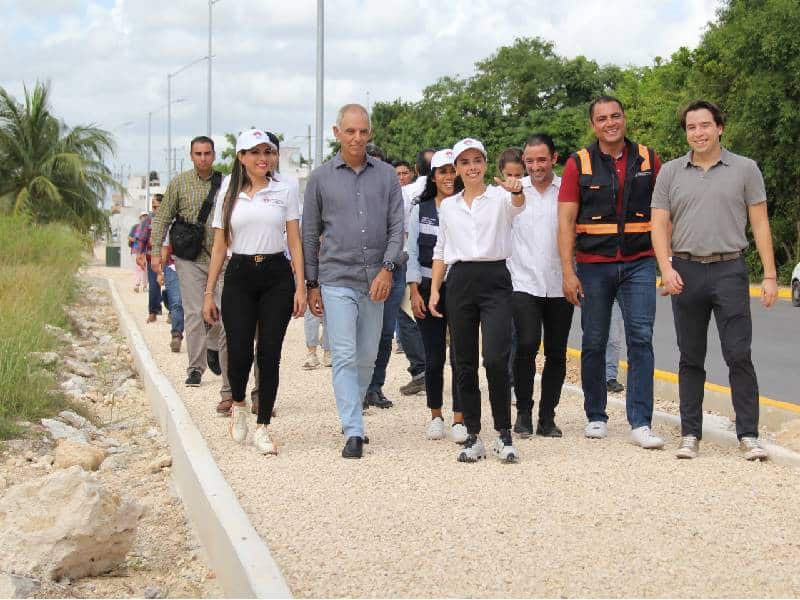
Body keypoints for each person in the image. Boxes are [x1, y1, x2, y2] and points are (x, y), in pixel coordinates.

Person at [652, 100, 777, 461]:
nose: (698, 133)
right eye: (691, 127)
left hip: (730, 270)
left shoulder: (745, 169)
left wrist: (770, 275)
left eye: (705, 125)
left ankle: (748, 435)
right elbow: (658, 224)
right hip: (686, 272)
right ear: (686, 133)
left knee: (739, 354)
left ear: (720, 127)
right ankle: (690, 433)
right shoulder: (671, 173)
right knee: (691, 357)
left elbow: (760, 224)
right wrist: (666, 267)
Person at [557, 95, 665, 449]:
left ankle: (640, 421)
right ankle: (596, 416)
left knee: (640, 339)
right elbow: (566, 221)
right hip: (593, 265)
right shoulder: (579, 163)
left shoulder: (649, 159)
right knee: (594, 341)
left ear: (625, 118)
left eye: (615, 116)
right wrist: (568, 272)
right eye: (602, 119)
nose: (609, 123)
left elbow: (663, 214)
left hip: (640, 262)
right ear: (593, 125)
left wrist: (666, 261)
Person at [302, 103, 404, 459]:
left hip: (376, 279)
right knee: (344, 354)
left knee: (366, 356)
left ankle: (354, 412)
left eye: (363, 131)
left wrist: (388, 269)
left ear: (370, 132)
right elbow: (310, 231)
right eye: (350, 131)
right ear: (337, 132)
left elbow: (397, 228)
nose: (357, 138)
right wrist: (311, 284)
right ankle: (353, 429)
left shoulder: (387, 176)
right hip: (336, 278)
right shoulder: (320, 178)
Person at [202, 129, 305, 454]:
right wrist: (208, 292)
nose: (263, 158)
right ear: (241, 157)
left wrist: (300, 284)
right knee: (240, 350)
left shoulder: (285, 190)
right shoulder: (228, 194)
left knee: (270, 353)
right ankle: (240, 405)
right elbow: (220, 246)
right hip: (239, 275)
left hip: (276, 275)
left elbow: (294, 241)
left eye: (268, 151)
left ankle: (263, 426)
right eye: (255, 152)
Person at [429, 137, 525, 463]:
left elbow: (517, 206)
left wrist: (515, 190)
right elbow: (441, 249)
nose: (471, 167)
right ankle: (472, 434)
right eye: (464, 162)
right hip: (459, 282)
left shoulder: (500, 197)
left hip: (495, 278)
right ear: (456, 168)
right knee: (464, 361)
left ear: (485, 164)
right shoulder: (449, 206)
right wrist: (435, 289)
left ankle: (503, 433)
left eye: (477, 161)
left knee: (496, 357)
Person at [151, 136, 232, 414]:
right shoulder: (179, 184)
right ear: (191, 155)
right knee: (194, 312)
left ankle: (213, 345)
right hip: (189, 257)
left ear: (214, 154)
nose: (203, 159)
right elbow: (162, 217)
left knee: (224, 311)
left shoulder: (227, 183)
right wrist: (155, 251)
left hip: (221, 258)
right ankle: (195, 367)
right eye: (198, 154)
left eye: (207, 153)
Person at [508, 134, 575, 439]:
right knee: (526, 345)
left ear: (554, 159)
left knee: (557, 353)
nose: (536, 166)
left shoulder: (569, 190)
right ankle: (523, 411)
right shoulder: (514, 192)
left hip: (560, 282)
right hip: (523, 282)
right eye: (530, 161)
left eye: (541, 159)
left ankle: (547, 417)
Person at [407, 148, 466, 442]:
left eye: (452, 170)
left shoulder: (467, 205)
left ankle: (459, 417)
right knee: (433, 356)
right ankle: (435, 415)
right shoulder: (421, 208)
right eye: (442, 171)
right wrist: (414, 291)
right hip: (428, 286)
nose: (448, 177)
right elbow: (413, 252)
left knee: (461, 356)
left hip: (460, 287)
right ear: (433, 175)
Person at [136, 194, 163, 322]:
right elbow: (142, 239)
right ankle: (153, 311)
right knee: (153, 285)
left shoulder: (171, 220)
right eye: (153, 205)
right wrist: (139, 254)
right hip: (152, 257)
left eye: (156, 205)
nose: (154, 208)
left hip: (168, 260)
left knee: (171, 286)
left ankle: (172, 311)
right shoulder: (148, 220)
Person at [157, 234, 185, 353]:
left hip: (197, 266)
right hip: (173, 266)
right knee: (176, 302)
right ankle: (176, 336)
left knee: (196, 305)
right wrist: (160, 271)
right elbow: (164, 248)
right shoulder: (170, 222)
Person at [605, 300, 625, 393]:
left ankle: (610, 378)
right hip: (595, 293)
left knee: (614, 339)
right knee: (595, 339)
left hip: (616, 297)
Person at [130, 213, 147, 293]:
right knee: (138, 268)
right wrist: (136, 239)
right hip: (136, 250)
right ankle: (137, 284)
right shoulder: (135, 227)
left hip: (145, 251)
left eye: (146, 217)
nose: (144, 218)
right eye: (143, 217)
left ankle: (144, 286)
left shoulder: (149, 228)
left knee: (145, 268)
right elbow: (129, 237)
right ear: (140, 218)